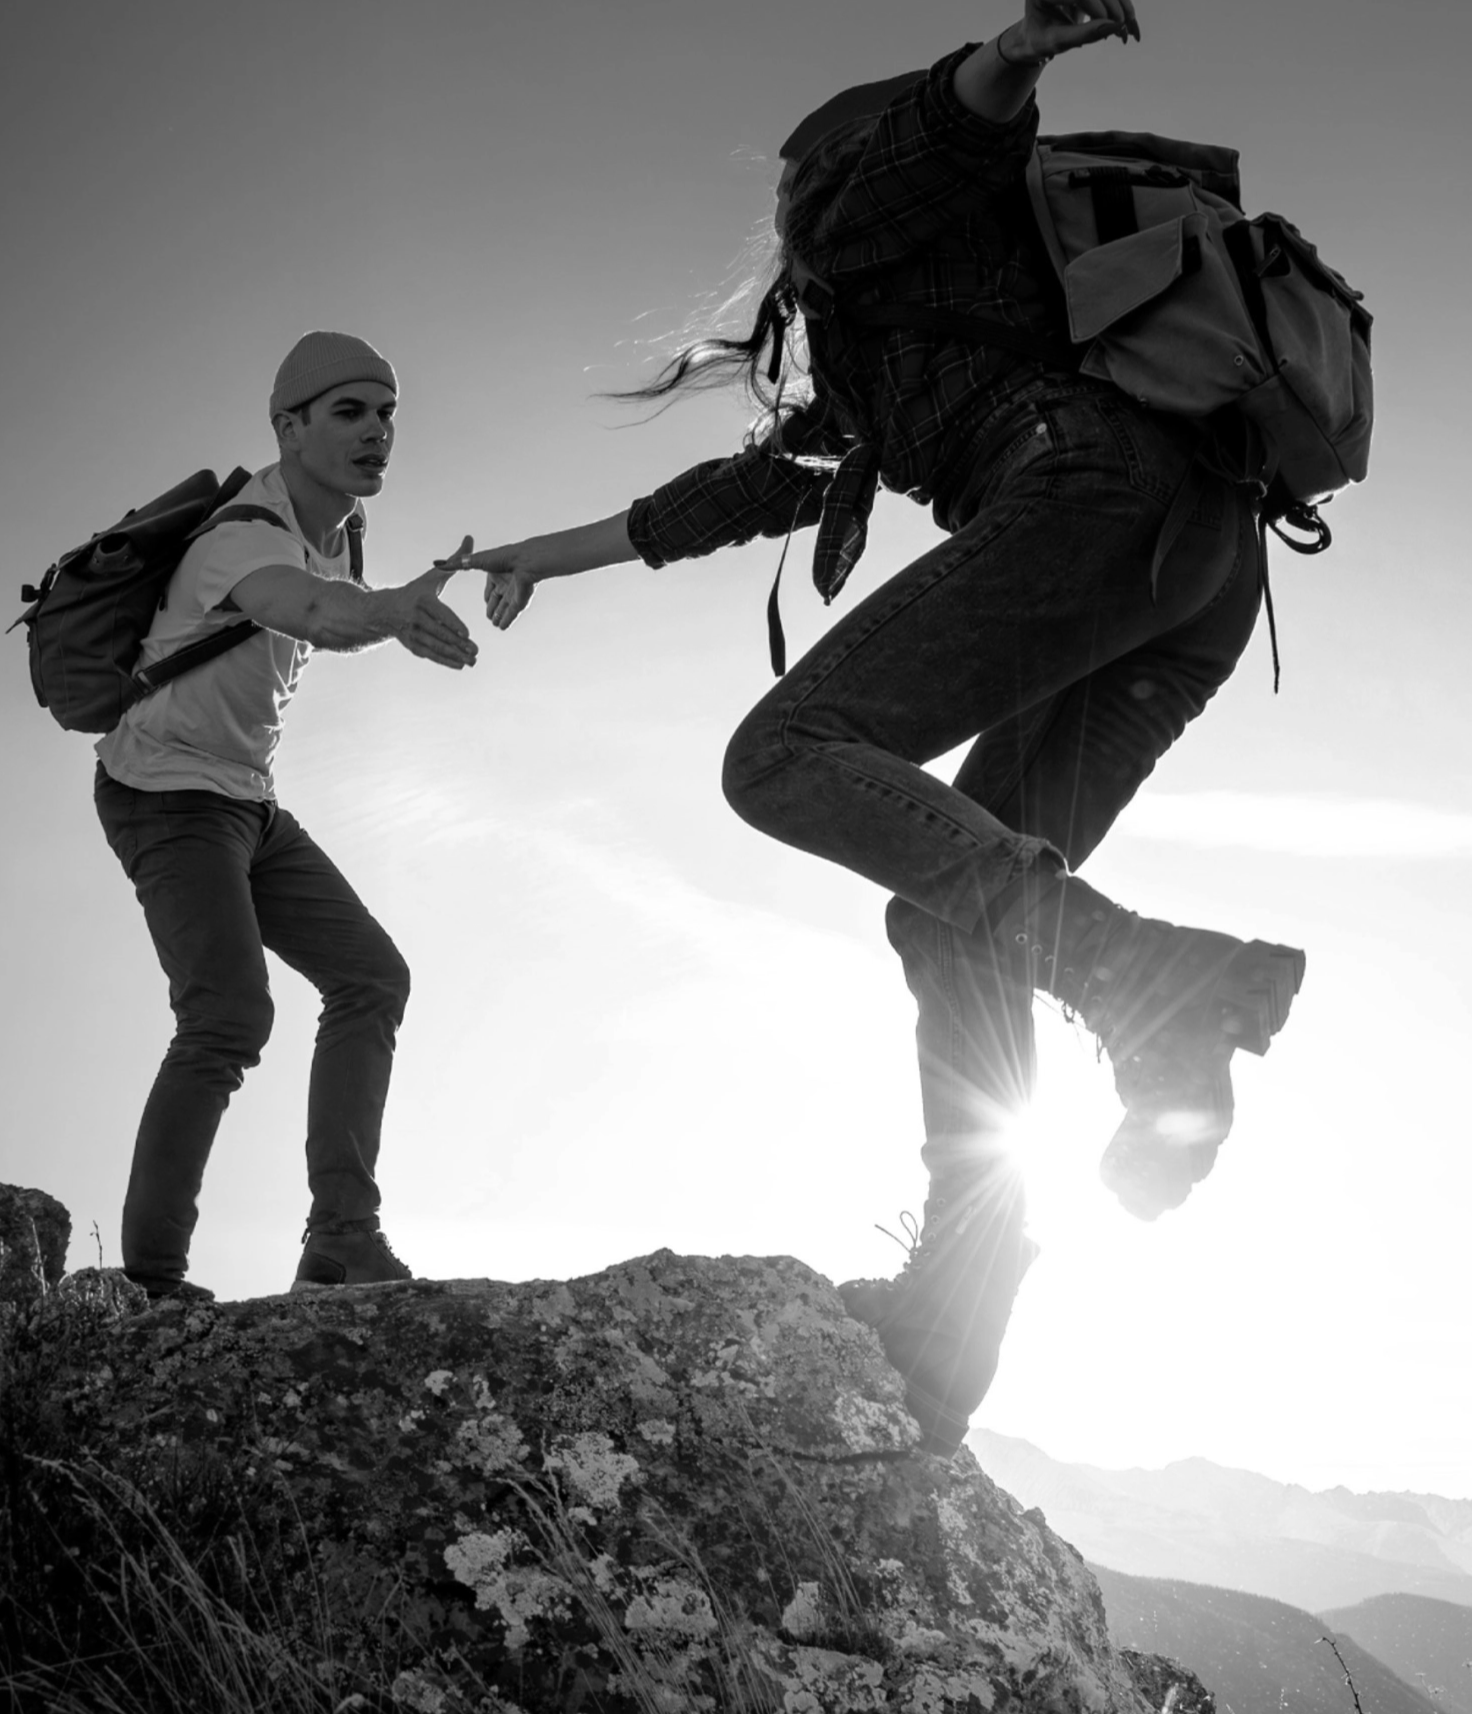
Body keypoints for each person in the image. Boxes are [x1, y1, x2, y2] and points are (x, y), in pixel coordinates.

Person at [467, 2, 1305, 1453]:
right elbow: (739, 496)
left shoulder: (872, 209)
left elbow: (958, 120)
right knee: (948, 920)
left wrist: (1024, 41)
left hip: (1090, 504)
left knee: (780, 755)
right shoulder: (908, 336)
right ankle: (952, 1317)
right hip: (1200, 570)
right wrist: (540, 553)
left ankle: (1145, 985)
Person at [94, 331, 478, 1301]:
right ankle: (148, 1283)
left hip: (245, 800)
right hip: (164, 790)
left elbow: (330, 607)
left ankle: (340, 1239)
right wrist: (382, 611)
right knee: (226, 1013)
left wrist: (381, 608)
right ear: (290, 425)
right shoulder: (243, 532)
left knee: (369, 976)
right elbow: (305, 609)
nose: (377, 431)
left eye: (387, 412)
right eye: (349, 411)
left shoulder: (336, 527)